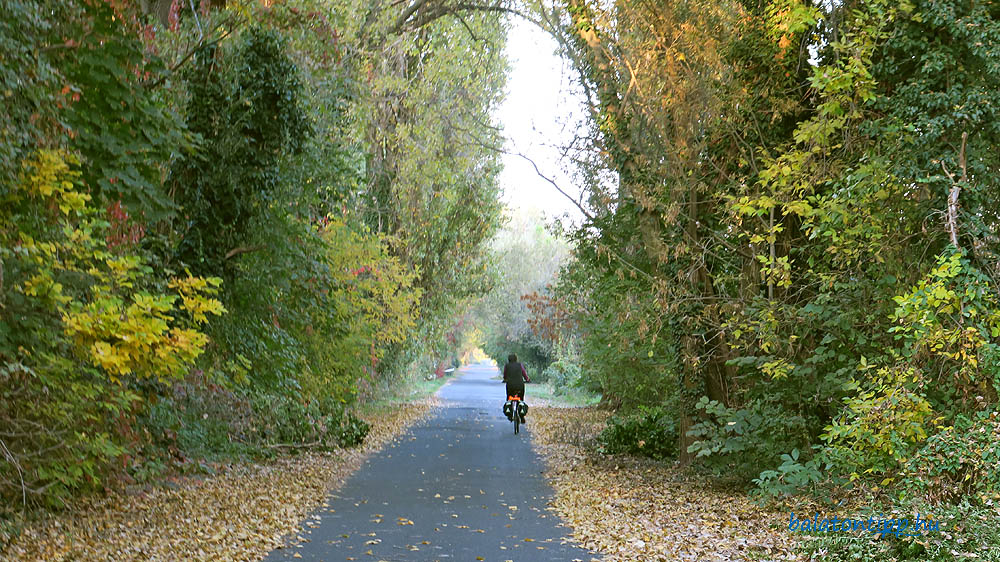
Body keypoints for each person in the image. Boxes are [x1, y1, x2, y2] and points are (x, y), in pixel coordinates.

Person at [502, 353, 530, 423]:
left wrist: (505, 379)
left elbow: (505, 374)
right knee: (520, 399)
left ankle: (509, 413)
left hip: (510, 385)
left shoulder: (507, 365)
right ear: (516, 359)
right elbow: (524, 373)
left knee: (509, 398)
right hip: (520, 385)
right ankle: (522, 415)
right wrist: (527, 379)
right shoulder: (520, 365)